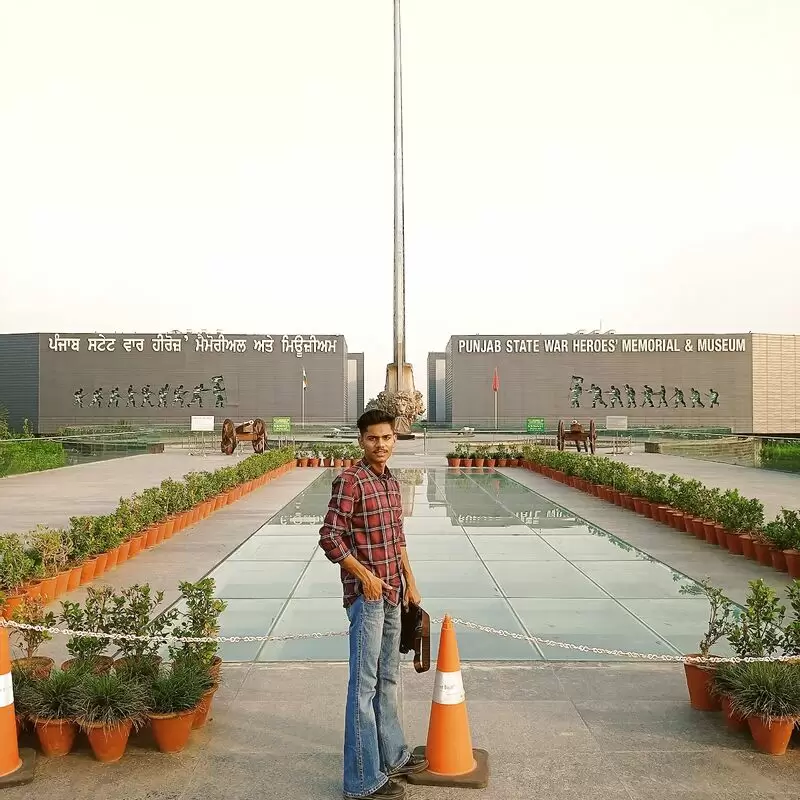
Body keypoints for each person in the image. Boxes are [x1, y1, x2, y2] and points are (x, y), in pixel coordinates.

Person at [319, 409, 427, 800]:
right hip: (367, 601)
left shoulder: (391, 483)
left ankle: (393, 755)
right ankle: (361, 781)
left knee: (389, 679)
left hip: (395, 594)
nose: (380, 445)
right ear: (361, 441)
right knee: (362, 687)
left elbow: (397, 539)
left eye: (386, 438)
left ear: (394, 439)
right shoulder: (350, 481)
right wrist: (364, 576)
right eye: (372, 438)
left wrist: (411, 583)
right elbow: (330, 537)